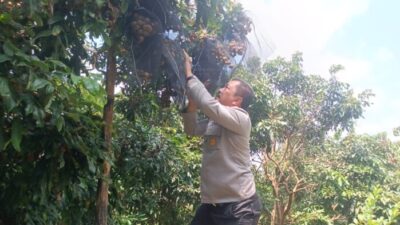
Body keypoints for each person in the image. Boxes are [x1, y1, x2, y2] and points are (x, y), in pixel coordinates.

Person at [181, 52, 262, 225]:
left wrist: (190, 76)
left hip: (240, 207)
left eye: (227, 88)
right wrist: (192, 106)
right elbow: (191, 129)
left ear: (237, 100)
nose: (221, 90)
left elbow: (210, 106)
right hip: (212, 205)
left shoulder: (241, 118)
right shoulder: (215, 121)